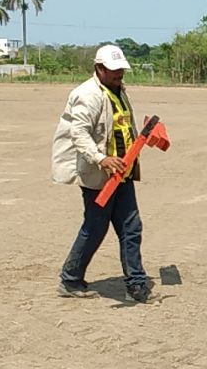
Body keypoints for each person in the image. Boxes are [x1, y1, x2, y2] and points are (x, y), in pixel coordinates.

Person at [52, 44, 152, 302]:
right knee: (95, 227)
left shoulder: (118, 90)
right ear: (99, 68)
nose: (120, 73)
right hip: (100, 176)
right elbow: (79, 133)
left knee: (131, 227)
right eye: (114, 69)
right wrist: (101, 159)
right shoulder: (88, 94)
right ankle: (70, 279)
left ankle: (136, 285)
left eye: (121, 69)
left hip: (122, 172)